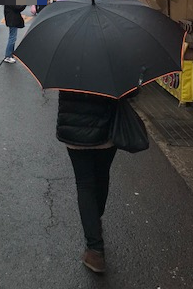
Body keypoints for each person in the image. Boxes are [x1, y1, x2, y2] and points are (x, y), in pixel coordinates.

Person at [56, 91, 118, 274]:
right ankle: (94, 220)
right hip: (106, 130)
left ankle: (95, 250)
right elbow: (132, 92)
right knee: (102, 176)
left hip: (74, 129)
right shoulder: (115, 62)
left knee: (85, 184)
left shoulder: (65, 61)